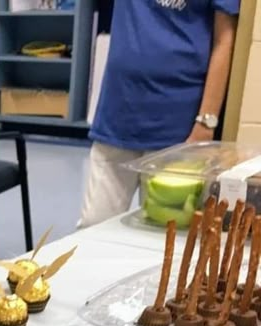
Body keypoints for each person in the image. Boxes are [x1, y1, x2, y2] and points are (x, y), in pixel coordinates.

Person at [79, 0, 240, 227]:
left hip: (177, 126)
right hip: (118, 113)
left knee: (163, 234)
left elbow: (224, 42)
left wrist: (206, 122)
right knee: (92, 225)